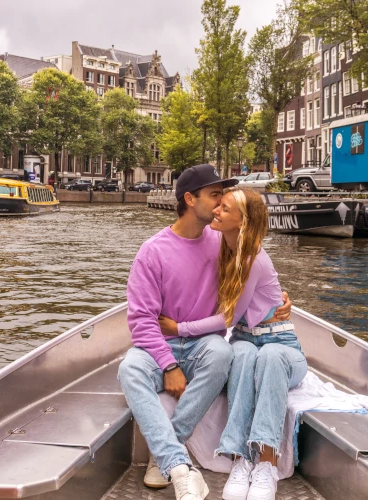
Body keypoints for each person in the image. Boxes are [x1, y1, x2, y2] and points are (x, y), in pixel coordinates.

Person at [118, 164, 292, 500]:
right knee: (130, 369)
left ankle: (166, 454)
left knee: (222, 352)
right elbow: (141, 321)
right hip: (159, 346)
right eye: (215, 195)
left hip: (203, 344)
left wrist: (282, 301)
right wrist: (168, 365)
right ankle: (178, 465)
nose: (220, 203)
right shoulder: (152, 252)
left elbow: (260, 273)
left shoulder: (223, 242)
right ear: (189, 198)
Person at [159, 187, 307, 500]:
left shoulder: (253, 259)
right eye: (218, 206)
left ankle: (266, 463)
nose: (216, 212)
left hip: (281, 342)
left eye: (225, 209)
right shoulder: (220, 244)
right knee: (237, 353)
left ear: (242, 221)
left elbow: (227, 317)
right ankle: (239, 459)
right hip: (244, 338)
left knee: (269, 358)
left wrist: (178, 327)